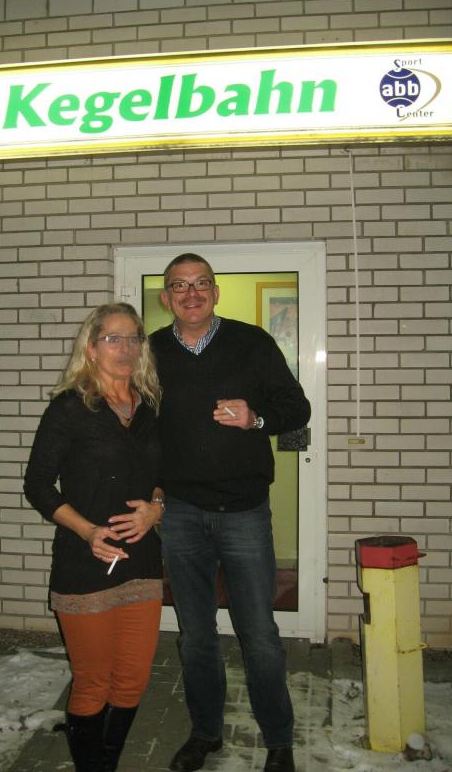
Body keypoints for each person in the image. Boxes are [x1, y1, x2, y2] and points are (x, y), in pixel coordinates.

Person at [150, 253, 311, 772]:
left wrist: (256, 418)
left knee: (258, 633)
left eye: (201, 283)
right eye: (180, 286)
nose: (191, 294)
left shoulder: (252, 343)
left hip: (244, 512)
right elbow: (141, 429)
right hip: (180, 514)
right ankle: (206, 733)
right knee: (196, 635)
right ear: (166, 298)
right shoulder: (151, 352)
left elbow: (297, 408)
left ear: (216, 292)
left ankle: (279, 740)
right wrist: (153, 492)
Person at [23, 303, 165, 772]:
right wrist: (87, 531)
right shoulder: (70, 408)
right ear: (91, 347)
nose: (125, 348)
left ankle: (107, 762)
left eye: (133, 339)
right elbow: (37, 485)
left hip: (141, 561)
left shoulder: (149, 408)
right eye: (113, 339)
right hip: (85, 563)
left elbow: (162, 477)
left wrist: (156, 508)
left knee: (132, 679)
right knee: (92, 682)